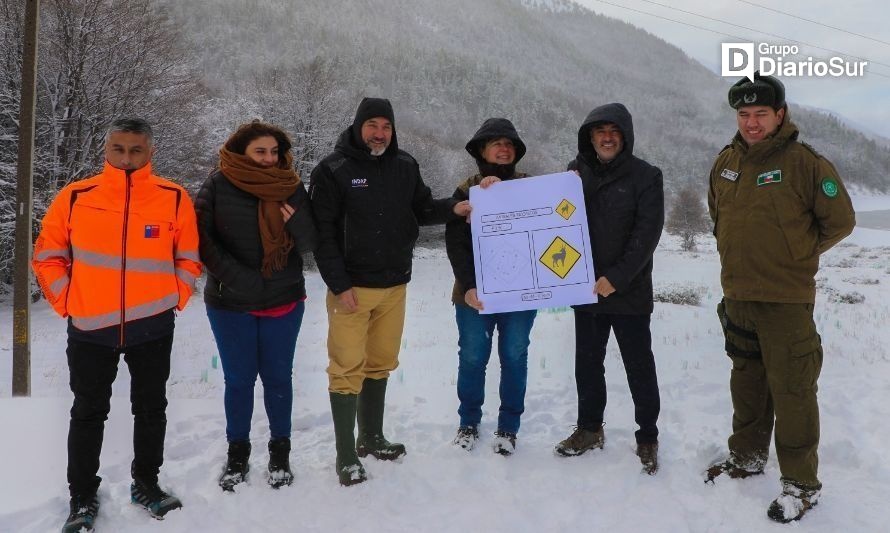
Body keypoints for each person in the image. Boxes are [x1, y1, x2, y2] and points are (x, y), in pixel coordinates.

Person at [32, 118, 201, 532]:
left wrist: (175, 296)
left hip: (152, 326)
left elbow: (189, 257)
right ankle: (82, 497)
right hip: (91, 328)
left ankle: (146, 485)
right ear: (106, 150)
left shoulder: (173, 198)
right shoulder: (76, 196)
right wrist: (68, 301)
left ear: (150, 152)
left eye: (136, 150)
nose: (126, 157)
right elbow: (48, 256)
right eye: (119, 149)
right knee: (88, 412)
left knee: (151, 408)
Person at [704, 73, 855, 523]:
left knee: (792, 391)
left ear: (780, 115)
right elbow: (718, 213)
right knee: (747, 383)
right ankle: (747, 457)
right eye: (745, 114)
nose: (752, 123)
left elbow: (840, 221)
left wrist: (798, 253)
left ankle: (801, 484)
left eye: (761, 114)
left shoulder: (804, 163)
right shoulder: (727, 160)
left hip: (785, 301)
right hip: (738, 296)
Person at [309, 97, 470, 485]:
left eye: (386, 127)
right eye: (372, 126)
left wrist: (456, 207)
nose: (380, 133)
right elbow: (322, 234)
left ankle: (372, 437)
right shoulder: (333, 170)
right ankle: (346, 455)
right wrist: (339, 284)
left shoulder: (405, 166)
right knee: (346, 370)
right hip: (352, 289)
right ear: (358, 127)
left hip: (394, 285)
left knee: (380, 362)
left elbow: (424, 209)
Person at [195, 121, 317, 492]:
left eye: (273, 152)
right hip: (231, 303)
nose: (268, 159)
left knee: (279, 379)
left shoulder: (291, 186)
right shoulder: (217, 184)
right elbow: (201, 240)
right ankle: (238, 453)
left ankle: (280, 452)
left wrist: (294, 222)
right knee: (239, 380)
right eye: (259, 151)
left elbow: (311, 241)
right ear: (241, 151)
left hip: (284, 300)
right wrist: (241, 280)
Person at [554, 103, 664, 476]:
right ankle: (589, 430)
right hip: (584, 289)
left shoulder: (646, 176)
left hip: (628, 291)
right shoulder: (575, 173)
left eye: (613, 131)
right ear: (589, 136)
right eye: (599, 131)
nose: (606, 137)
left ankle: (647, 437)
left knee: (639, 367)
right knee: (587, 365)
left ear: (625, 136)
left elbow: (647, 234)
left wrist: (616, 277)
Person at [445, 118, 537, 455]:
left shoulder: (530, 185)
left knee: (514, 357)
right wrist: (468, 286)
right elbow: (455, 241)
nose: (504, 148)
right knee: (472, 358)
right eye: (496, 143)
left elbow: (551, 221)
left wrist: (572, 183)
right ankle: (468, 423)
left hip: (520, 293)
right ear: (482, 150)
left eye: (509, 144)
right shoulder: (465, 189)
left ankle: (508, 428)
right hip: (474, 295)